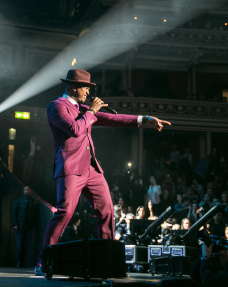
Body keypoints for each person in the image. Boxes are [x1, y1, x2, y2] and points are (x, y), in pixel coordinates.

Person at [35, 68, 171, 275]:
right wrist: (91, 111)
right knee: (65, 212)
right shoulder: (56, 106)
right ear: (73, 87)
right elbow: (75, 129)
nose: (88, 93)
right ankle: (43, 261)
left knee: (107, 210)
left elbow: (113, 119)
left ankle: (105, 259)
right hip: (71, 168)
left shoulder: (83, 108)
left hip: (91, 169)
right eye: (86, 88)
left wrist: (144, 120)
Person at [11, 186, 39, 267]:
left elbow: (35, 216)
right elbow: (13, 213)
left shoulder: (34, 203)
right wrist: (15, 224)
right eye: (25, 190)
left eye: (28, 190)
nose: (27, 191)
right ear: (23, 191)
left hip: (28, 227)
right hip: (19, 226)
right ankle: (18, 261)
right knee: (19, 245)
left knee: (26, 245)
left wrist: (33, 226)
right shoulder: (19, 202)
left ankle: (22, 261)